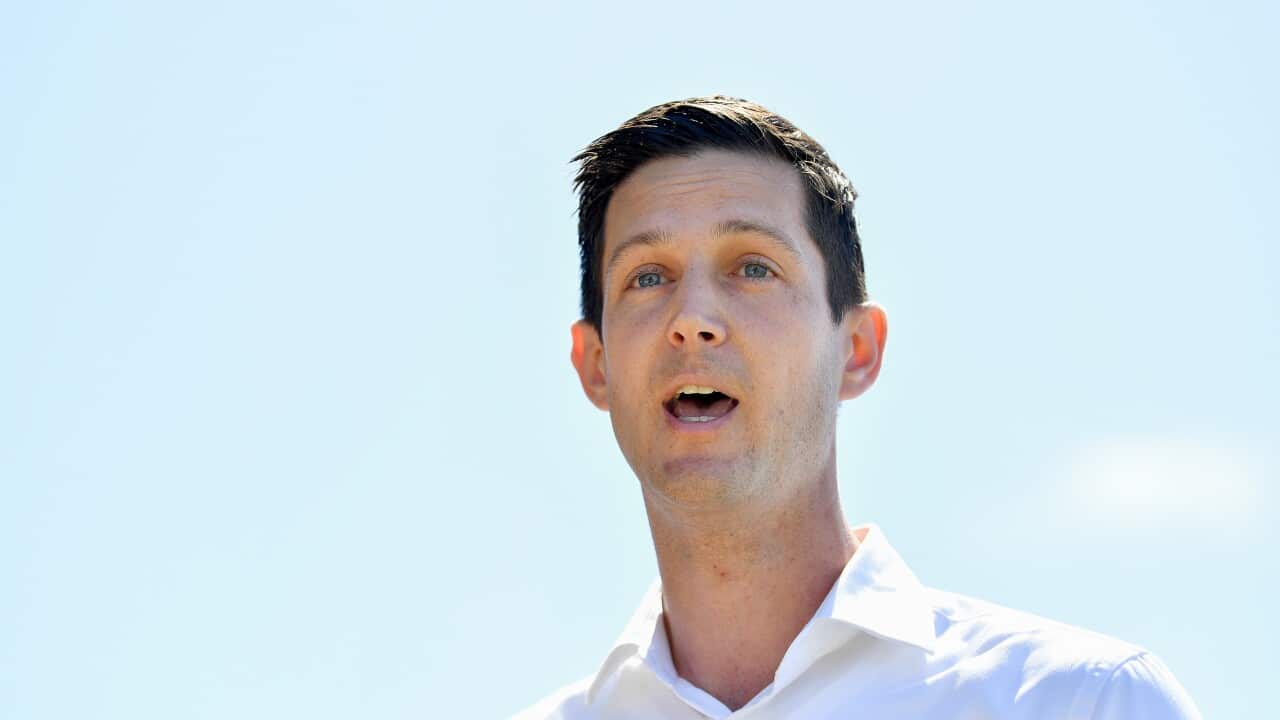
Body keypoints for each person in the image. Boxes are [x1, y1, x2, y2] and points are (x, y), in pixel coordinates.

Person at [515, 96, 1201, 719]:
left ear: (857, 350)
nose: (693, 318)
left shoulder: (1086, 703)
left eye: (753, 267)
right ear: (596, 366)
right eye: (648, 276)